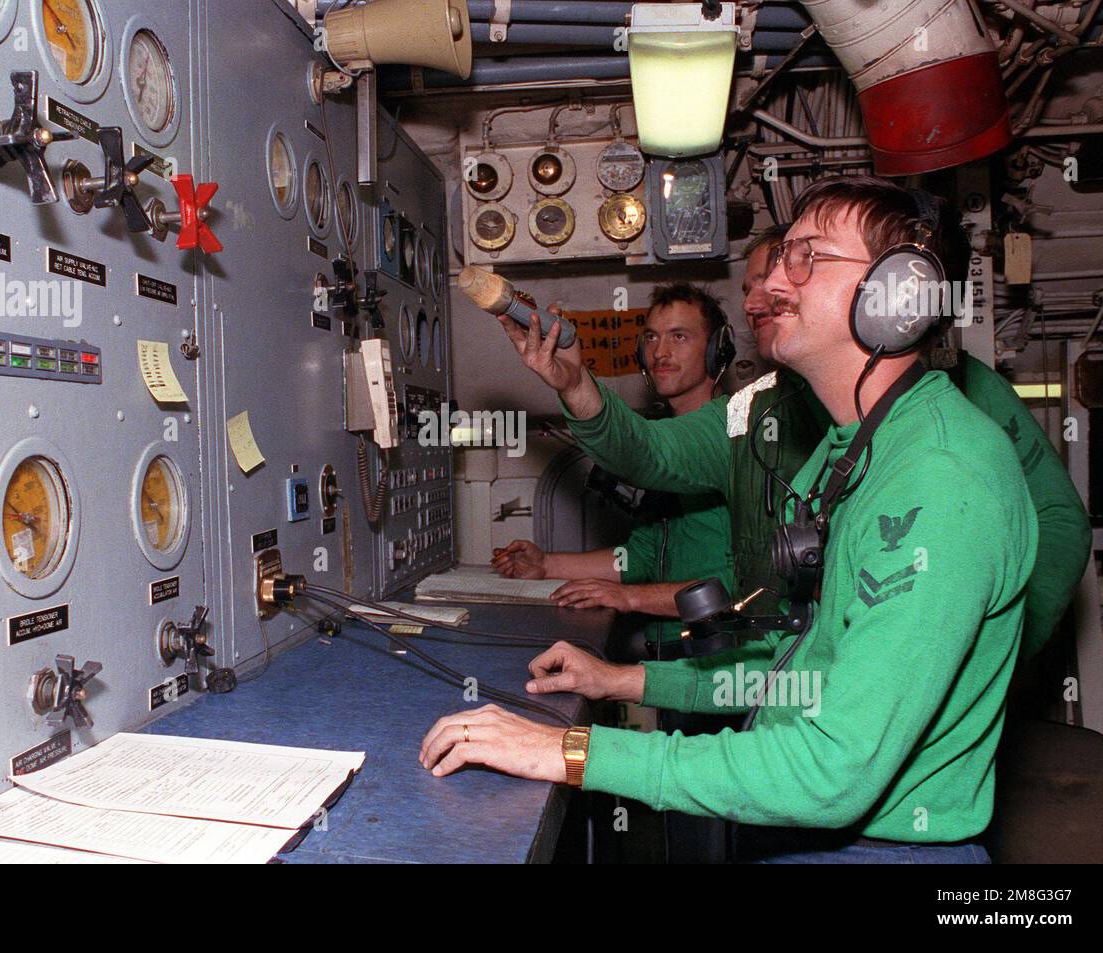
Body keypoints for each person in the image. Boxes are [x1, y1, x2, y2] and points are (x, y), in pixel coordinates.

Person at [419, 174, 1040, 863]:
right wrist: (623, 680)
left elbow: (829, 770)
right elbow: (797, 667)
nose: (774, 283)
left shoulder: (941, 477)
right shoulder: (855, 448)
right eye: (781, 259)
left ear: (902, 297)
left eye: (808, 258)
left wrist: (570, 750)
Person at [491, 283, 734, 651]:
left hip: (723, 654)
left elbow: (735, 587)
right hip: (674, 650)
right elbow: (639, 557)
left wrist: (630, 598)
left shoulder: (728, 431)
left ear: (718, 351)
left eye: (679, 337)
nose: (660, 352)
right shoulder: (670, 438)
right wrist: (546, 565)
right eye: (651, 338)